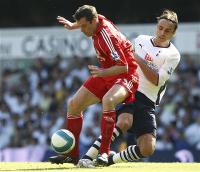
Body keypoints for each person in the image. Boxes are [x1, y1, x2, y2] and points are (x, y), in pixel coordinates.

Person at [77, 9, 181, 167]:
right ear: (156, 26)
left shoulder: (173, 54)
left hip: (148, 101)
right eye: (160, 28)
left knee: (147, 148)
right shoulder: (141, 40)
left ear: (173, 33)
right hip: (130, 89)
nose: (162, 32)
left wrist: (138, 59)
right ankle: (87, 157)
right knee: (124, 121)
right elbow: (122, 61)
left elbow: (157, 80)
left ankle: (110, 160)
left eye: (167, 30)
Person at [49, 5, 138, 165]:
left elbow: (123, 66)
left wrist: (103, 73)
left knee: (108, 100)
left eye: (84, 26)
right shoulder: (97, 20)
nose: (82, 30)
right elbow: (90, 18)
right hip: (108, 72)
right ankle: (72, 155)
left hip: (126, 74)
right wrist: (72, 25)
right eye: (80, 25)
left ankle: (104, 153)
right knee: (74, 105)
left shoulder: (107, 37)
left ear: (93, 21)